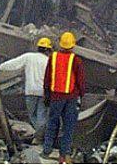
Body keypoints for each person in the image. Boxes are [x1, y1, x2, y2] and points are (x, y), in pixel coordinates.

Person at [0, 37, 53, 142]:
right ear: (48, 50)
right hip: (44, 92)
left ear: (38, 48)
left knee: (32, 115)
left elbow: (13, 64)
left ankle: (40, 135)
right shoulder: (50, 61)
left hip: (30, 92)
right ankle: (41, 136)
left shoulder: (29, 56)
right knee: (42, 115)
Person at [42, 32, 85, 164]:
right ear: (73, 45)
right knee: (68, 126)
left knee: (52, 123)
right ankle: (64, 155)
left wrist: (47, 95)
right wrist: (81, 95)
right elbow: (80, 81)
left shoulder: (53, 57)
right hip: (71, 98)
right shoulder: (76, 60)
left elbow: (47, 78)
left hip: (56, 96)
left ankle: (46, 150)